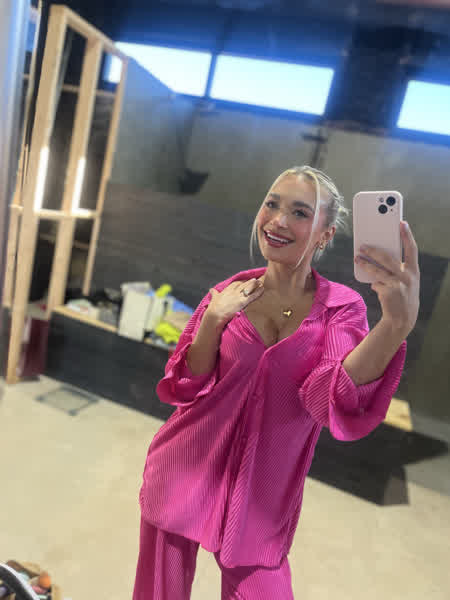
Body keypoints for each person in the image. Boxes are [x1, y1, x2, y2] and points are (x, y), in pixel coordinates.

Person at [133, 165, 420, 599]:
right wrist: (212, 320)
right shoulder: (229, 291)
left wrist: (394, 326)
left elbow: (327, 400)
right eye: (272, 204)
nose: (278, 220)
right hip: (182, 467)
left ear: (325, 234)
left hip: (262, 502)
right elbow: (187, 386)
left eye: (300, 212)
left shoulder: (341, 309)